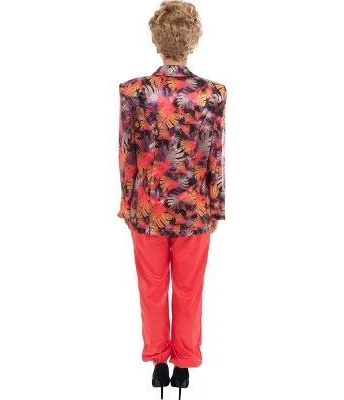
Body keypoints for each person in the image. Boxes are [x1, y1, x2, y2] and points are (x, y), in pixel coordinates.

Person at [117, 1, 227, 398]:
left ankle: (158, 362)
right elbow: (215, 154)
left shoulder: (134, 92)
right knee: (188, 290)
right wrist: (216, 206)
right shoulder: (211, 94)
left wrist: (127, 202)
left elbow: (127, 153)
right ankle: (183, 365)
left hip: (147, 209)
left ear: (156, 39)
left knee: (151, 288)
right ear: (192, 40)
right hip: (194, 210)